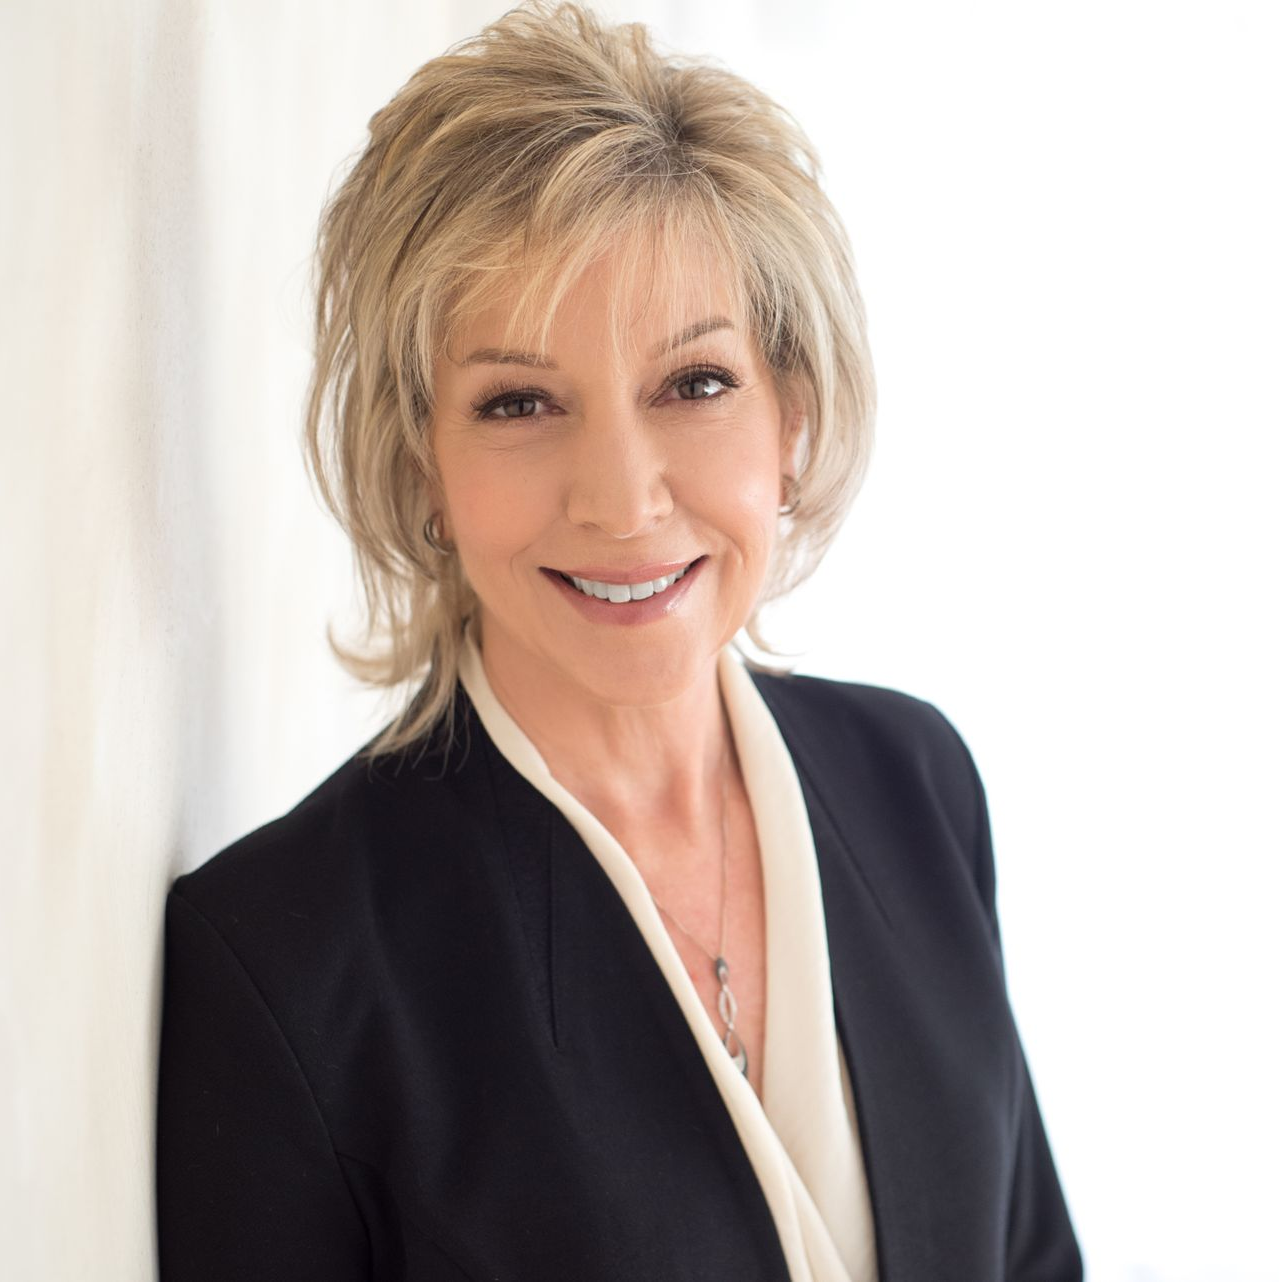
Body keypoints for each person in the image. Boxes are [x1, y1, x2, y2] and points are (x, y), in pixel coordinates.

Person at [155, 3, 1082, 1279]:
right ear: (421, 460)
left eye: (694, 384)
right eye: (518, 402)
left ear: (790, 414)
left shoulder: (913, 781)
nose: (623, 500)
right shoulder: (284, 967)